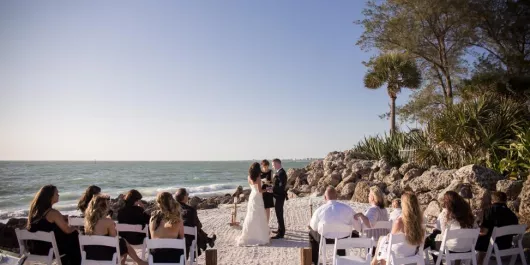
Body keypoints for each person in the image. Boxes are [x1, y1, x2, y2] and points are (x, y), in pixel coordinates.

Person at [84, 195, 147, 265]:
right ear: (104, 207)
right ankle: (139, 261)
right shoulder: (108, 222)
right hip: (105, 255)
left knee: (123, 242)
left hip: (90, 253)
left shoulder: (87, 221)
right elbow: (114, 239)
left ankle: (131, 262)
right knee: (123, 242)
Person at [26, 185, 81, 265]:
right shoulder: (53, 213)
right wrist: (77, 226)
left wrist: (62, 217)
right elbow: (67, 230)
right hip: (50, 249)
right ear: (50, 197)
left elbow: (46, 223)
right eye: (56, 193)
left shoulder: (35, 211)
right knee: (74, 235)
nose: (58, 195)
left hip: (36, 248)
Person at [309, 187, 360, 265]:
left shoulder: (320, 210)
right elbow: (358, 227)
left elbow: (314, 227)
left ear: (325, 197)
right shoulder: (347, 209)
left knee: (311, 233)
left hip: (325, 239)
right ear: (337, 196)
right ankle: (341, 259)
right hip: (343, 240)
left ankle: (314, 261)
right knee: (343, 235)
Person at [372, 193, 424, 265]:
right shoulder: (420, 222)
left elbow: (391, 240)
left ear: (404, 205)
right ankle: (374, 261)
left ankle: (374, 262)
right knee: (382, 239)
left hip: (397, 256)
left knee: (383, 242)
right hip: (411, 255)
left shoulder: (399, 222)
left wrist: (387, 237)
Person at [476, 191, 519, 265]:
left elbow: (484, 231)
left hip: (494, 245)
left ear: (492, 200)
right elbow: (515, 233)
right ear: (505, 200)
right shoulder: (512, 214)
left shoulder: (489, 211)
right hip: (507, 244)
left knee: (478, 240)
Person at [175, 188, 217, 257]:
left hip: (176, 237)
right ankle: (208, 240)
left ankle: (209, 240)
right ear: (184, 197)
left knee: (195, 229)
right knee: (196, 230)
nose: (188, 196)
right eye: (187, 195)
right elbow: (197, 225)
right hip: (190, 239)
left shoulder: (172, 210)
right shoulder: (191, 210)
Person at [236, 162, 271, 246]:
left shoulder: (249, 177)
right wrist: (268, 189)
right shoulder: (258, 177)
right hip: (258, 197)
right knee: (259, 214)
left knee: (251, 214)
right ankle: (260, 236)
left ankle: (249, 234)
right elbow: (260, 190)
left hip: (252, 196)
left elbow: (254, 186)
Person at [149, 192, 185, 263]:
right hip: (174, 258)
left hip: (156, 258)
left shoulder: (153, 218)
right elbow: (182, 238)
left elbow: (152, 237)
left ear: (158, 202)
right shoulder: (177, 219)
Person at [270, 158, 287, 239]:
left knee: (279, 214)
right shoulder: (279, 172)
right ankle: (279, 229)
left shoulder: (281, 173)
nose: (272, 166)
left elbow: (281, 187)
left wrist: (272, 188)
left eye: (273, 165)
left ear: (277, 164)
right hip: (277, 195)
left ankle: (281, 233)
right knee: (278, 213)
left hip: (280, 196)